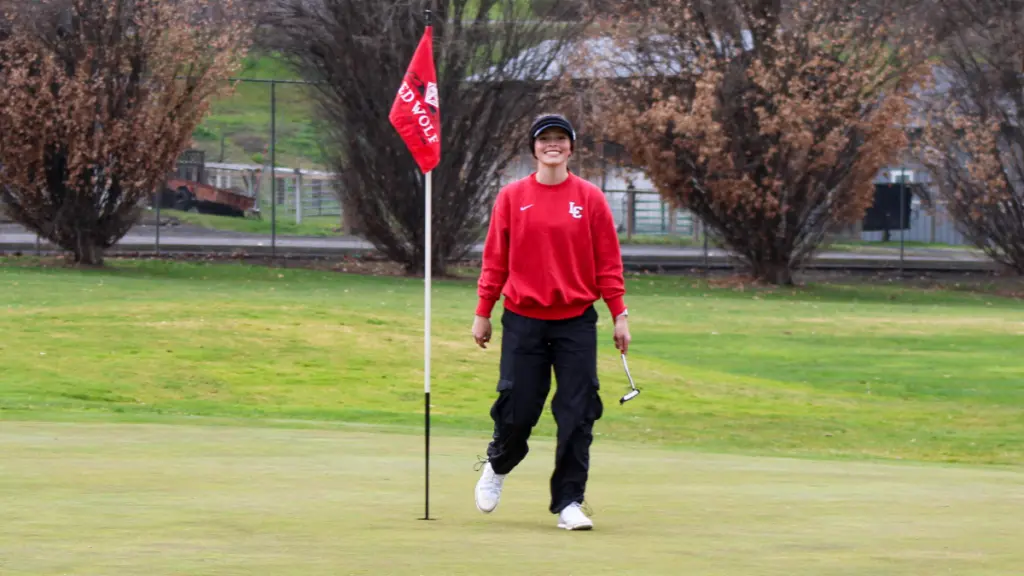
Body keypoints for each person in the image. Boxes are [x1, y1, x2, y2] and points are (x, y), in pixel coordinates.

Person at [470, 113, 631, 531]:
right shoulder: (511, 197)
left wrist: (620, 316)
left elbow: (608, 265)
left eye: (561, 139)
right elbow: (495, 260)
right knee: (519, 409)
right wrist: (483, 312)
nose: (552, 145)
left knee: (577, 413)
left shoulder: (591, 198)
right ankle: (498, 464)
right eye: (545, 140)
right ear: (534, 148)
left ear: (571, 148)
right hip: (523, 319)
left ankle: (569, 502)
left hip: (575, 321)